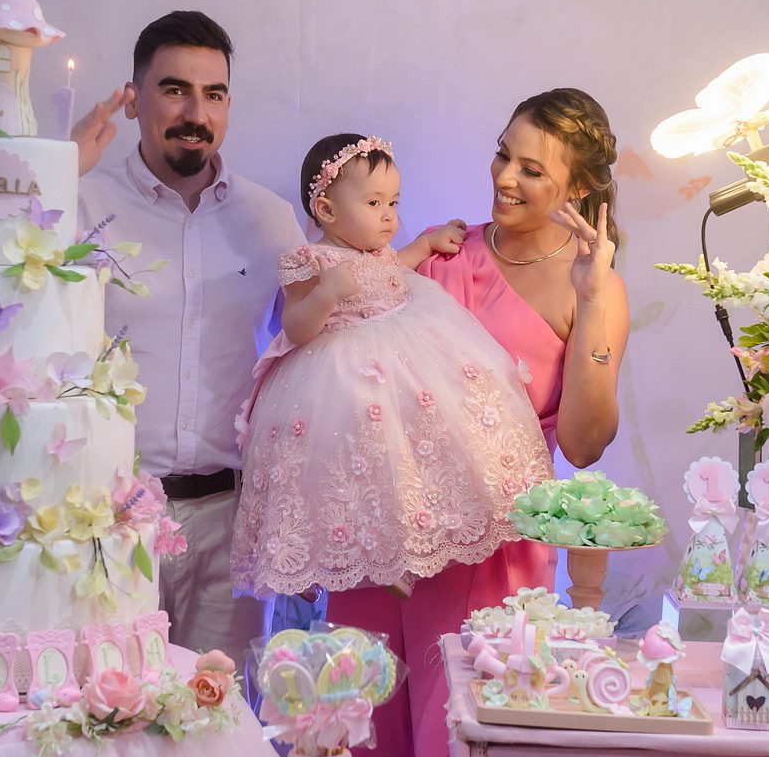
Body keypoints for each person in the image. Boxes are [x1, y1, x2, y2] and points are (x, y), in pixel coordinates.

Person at [327, 89, 629, 757]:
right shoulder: (441, 253)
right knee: (356, 730)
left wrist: (589, 299)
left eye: (531, 169)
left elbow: (583, 445)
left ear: (579, 189)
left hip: (493, 551)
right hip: (385, 539)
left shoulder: (597, 286)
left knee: (457, 737)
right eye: (502, 155)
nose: (504, 177)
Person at [71, 11, 305, 678]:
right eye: (174, 90)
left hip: (232, 522)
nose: (196, 114)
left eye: (214, 94)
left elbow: (318, 348)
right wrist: (50, 178)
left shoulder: (269, 219)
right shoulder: (78, 205)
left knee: (218, 713)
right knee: (106, 709)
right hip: (107, 519)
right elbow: (8, 312)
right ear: (133, 98)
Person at [230, 132, 552, 602]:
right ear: (327, 210)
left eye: (394, 202)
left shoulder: (379, 253)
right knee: (360, 460)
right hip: (338, 370)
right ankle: (372, 554)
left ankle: (436, 526)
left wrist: (426, 243)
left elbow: (395, 267)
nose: (388, 215)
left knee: (421, 447)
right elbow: (295, 326)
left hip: (403, 347)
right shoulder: (309, 260)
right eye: (374, 203)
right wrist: (325, 294)